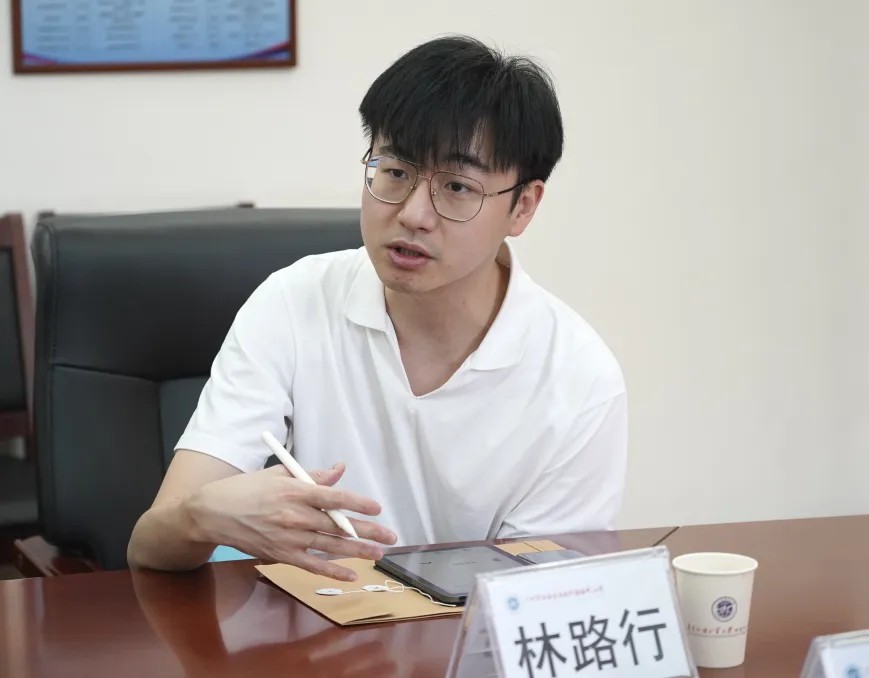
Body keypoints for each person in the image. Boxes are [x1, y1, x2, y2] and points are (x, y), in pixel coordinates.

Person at [127, 35, 627, 581]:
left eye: (457, 187)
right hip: (309, 628)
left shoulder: (579, 380)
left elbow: (534, 602)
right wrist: (202, 517)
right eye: (395, 172)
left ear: (522, 207)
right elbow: (149, 546)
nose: (413, 214)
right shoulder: (293, 301)